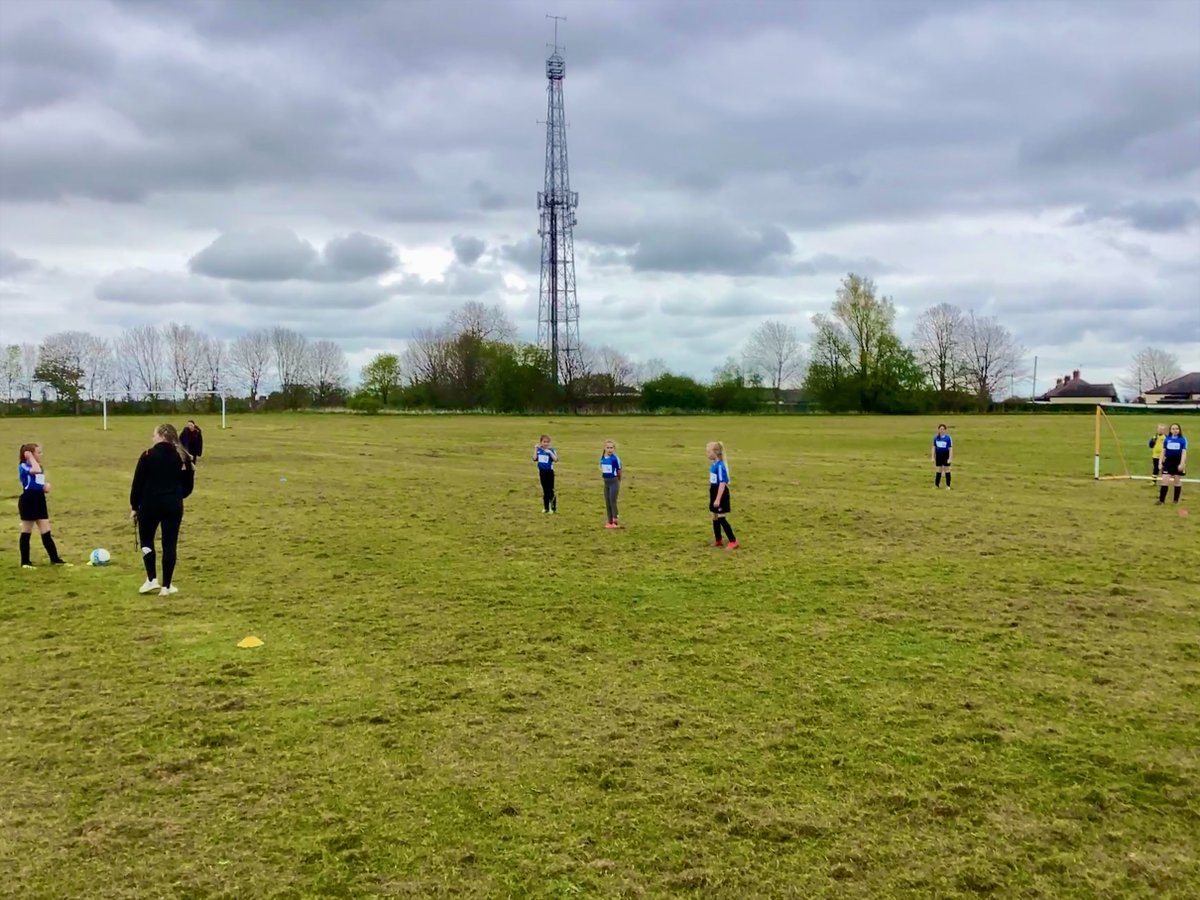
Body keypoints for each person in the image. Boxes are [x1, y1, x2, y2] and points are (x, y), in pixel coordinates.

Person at [130, 424, 195, 596]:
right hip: (173, 505)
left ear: (161, 436)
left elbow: (137, 483)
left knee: (146, 540)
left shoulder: (147, 455)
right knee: (169, 544)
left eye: (154, 435)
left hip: (149, 505)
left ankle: (152, 579)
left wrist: (134, 506)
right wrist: (176, 495)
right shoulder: (183, 456)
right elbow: (188, 485)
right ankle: (167, 586)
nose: (152, 438)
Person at [17, 443, 71, 568]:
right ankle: (25, 562)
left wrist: (44, 487)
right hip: (28, 500)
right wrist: (30, 457)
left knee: (46, 531)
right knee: (26, 532)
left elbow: (38, 482)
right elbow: (34, 470)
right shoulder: (23, 466)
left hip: (39, 500)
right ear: (29, 455)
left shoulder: (39, 466)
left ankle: (55, 560)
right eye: (38, 452)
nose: (41, 455)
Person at [707, 441, 738, 549]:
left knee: (721, 517)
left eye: (708, 452)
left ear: (715, 452)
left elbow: (722, 483)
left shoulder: (720, 466)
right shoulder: (713, 465)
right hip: (714, 491)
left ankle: (733, 541)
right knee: (714, 516)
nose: (707, 454)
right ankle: (718, 540)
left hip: (720, 493)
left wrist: (718, 499)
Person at [1156, 423, 1187, 506]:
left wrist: (1182, 463)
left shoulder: (1182, 440)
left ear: (1179, 430)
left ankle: (1175, 500)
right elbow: (1163, 451)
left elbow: (1184, 452)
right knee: (1164, 480)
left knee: (1177, 480)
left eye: (1177, 429)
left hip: (1178, 462)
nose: (1175, 430)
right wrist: (1160, 462)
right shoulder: (1167, 439)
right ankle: (1161, 501)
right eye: (1173, 429)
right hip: (1168, 462)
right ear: (1170, 430)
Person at [533, 434, 558, 514]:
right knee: (545, 491)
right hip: (542, 473)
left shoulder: (551, 450)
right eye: (544, 442)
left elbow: (556, 459)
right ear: (541, 442)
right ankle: (546, 508)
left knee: (551, 490)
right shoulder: (539, 450)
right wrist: (535, 449)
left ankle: (553, 508)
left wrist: (550, 453)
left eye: (547, 442)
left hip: (549, 473)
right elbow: (534, 458)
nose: (546, 443)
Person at [600, 439, 622, 528]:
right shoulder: (603, 458)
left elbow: (619, 471)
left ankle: (615, 520)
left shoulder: (615, 459)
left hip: (614, 482)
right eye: (608, 448)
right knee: (607, 501)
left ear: (614, 449)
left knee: (612, 501)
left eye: (611, 448)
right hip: (606, 483)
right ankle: (609, 521)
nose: (610, 449)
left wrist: (618, 480)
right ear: (604, 448)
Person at [932, 424, 953, 489]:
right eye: (941, 429)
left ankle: (948, 486)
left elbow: (950, 449)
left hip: (946, 455)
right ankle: (936, 485)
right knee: (938, 470)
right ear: (938, 430)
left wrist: (950, 458)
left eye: (943, 429)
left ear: (945, 430)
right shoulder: (936, 438)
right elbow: (934, 447)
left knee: (947, 470)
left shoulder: (948, 438)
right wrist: (933, 457)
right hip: (938, 456)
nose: (942, 430)